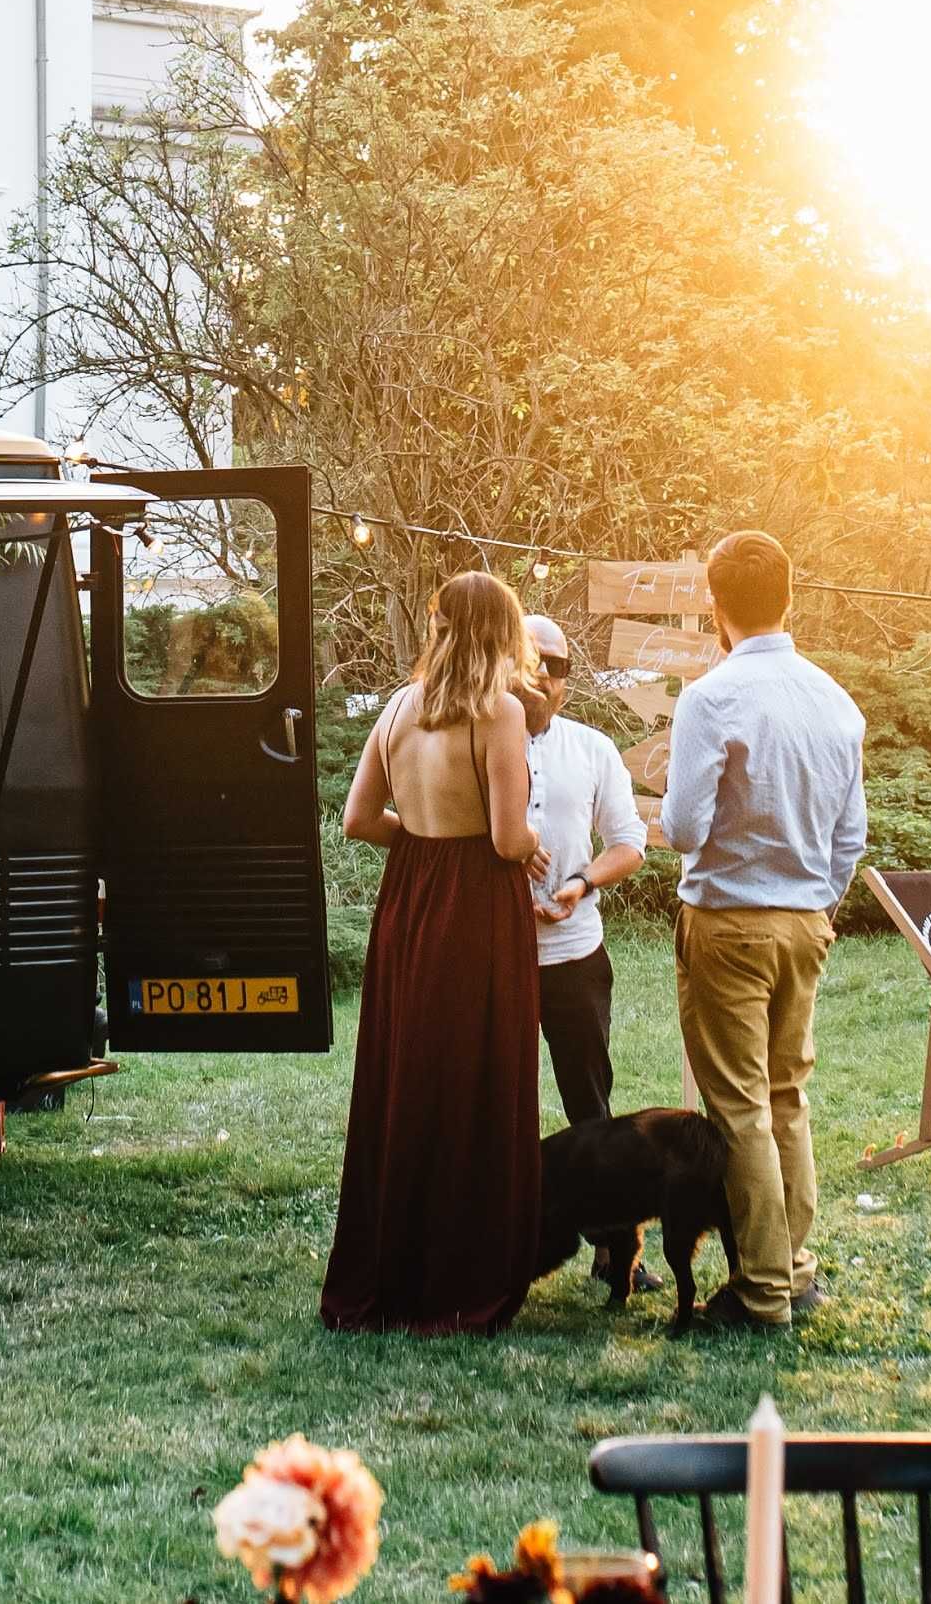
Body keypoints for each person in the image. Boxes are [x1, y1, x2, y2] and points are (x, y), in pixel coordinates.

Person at [320, 570, 543, 1334]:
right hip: (476, 903)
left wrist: (419, 842)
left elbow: (355, 820)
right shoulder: (500, 713)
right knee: (471, 1078)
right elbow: (510, 839)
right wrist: (532, 845)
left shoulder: (396, 706)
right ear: (501, 633)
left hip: (409, 899)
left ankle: (388, 1272)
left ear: (441, 626)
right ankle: (457, 1281)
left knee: (404, 1074)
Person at [659, 527, 867, 1336]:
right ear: (789, 598)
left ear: (715, 606)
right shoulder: (835, 701)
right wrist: (819, 905)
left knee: (740, 1108)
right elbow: (850, 835)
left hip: (729, 924)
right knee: (787, 1100)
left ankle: (761, 1291)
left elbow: (681, 827)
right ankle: (797, 1269)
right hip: (805, 921)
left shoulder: (712, 697)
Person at [517, 612, 647, 1131]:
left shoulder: (593, 748)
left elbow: (630, 844)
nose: (545, 674)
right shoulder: (476, 745)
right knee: (500, 1103)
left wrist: (582, 882)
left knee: (590, 1104)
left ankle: (602, 1209)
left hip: (576, 954)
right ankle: (513, 1207)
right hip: (499, 953)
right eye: (532, 661)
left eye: (558, 664)